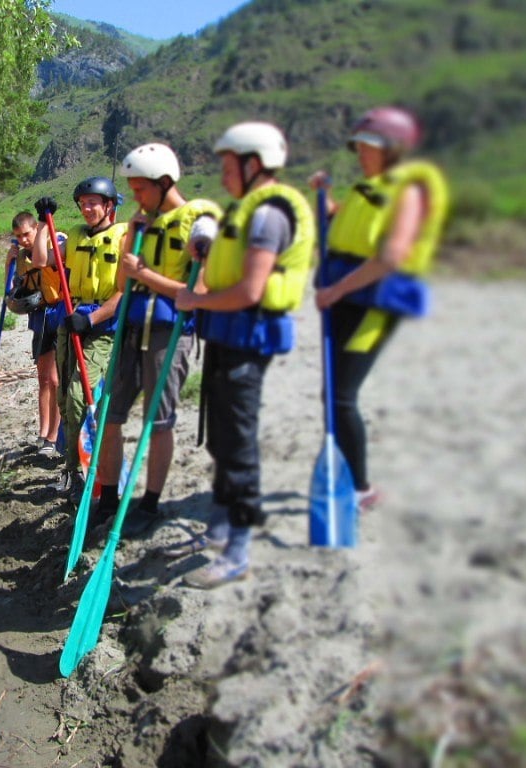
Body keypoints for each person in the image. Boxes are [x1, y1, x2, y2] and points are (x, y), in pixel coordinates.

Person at [171, 121, 315, 588]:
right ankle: (217, 526)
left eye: (228, 163)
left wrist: (195, 301)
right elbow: (231, 261)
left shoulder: (268, 216)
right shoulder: (245, 210)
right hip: (227, 338)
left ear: (253, 163)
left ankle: (237, 551)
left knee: (239, 445)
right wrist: (205, 246)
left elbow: (252, 289)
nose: (224, 172)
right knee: (222, 437)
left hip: (247, 341)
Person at [309, 106, 449, 510]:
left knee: (341, 396)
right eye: (360, 146)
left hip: (373, 303)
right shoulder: (368, 188)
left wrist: (335, 291)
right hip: (348, 298)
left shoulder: (407, 192)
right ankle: (348, 477)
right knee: (332, 393)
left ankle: (360, 489)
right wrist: (324, 195)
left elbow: (389, 256)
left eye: (370, 146)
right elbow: (341, 225)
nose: (361, 154)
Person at [96, 142, 222, 535]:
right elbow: (121, 283)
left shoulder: (198, 218)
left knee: (159, 420)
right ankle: (109, 498)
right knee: (107, 416)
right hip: (131, 331)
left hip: (170, 335)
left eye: (140, 188)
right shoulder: (139, 224)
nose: (134, 196)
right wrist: (130, 244)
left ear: (164, 182)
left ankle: (149, 505)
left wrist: (145, 274)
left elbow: (197, 291)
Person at [31, 178, 127, 501]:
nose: (86, 209)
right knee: (64, 399)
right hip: (70, 323)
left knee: (76, 397)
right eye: (82, 203)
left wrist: (91, 319)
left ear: (109, 206)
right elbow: (42, 260)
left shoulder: (123, 237)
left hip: (101, 327)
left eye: (93, 203)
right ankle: (72, 468)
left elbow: (122, 293)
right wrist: (45, 222)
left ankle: (83, 472)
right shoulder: (73, 236)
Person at [5, 211, 60, 457]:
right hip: (39, 317)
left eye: (27, 234)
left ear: (36, 229)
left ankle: (54, 436)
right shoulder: (21, 256)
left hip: (57, 315)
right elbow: (11, 294)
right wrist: (9, 264)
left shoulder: (55, 244)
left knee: (56, 380)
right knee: (43, 379)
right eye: (18, 236)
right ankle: (43, 433)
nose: (24, 240)